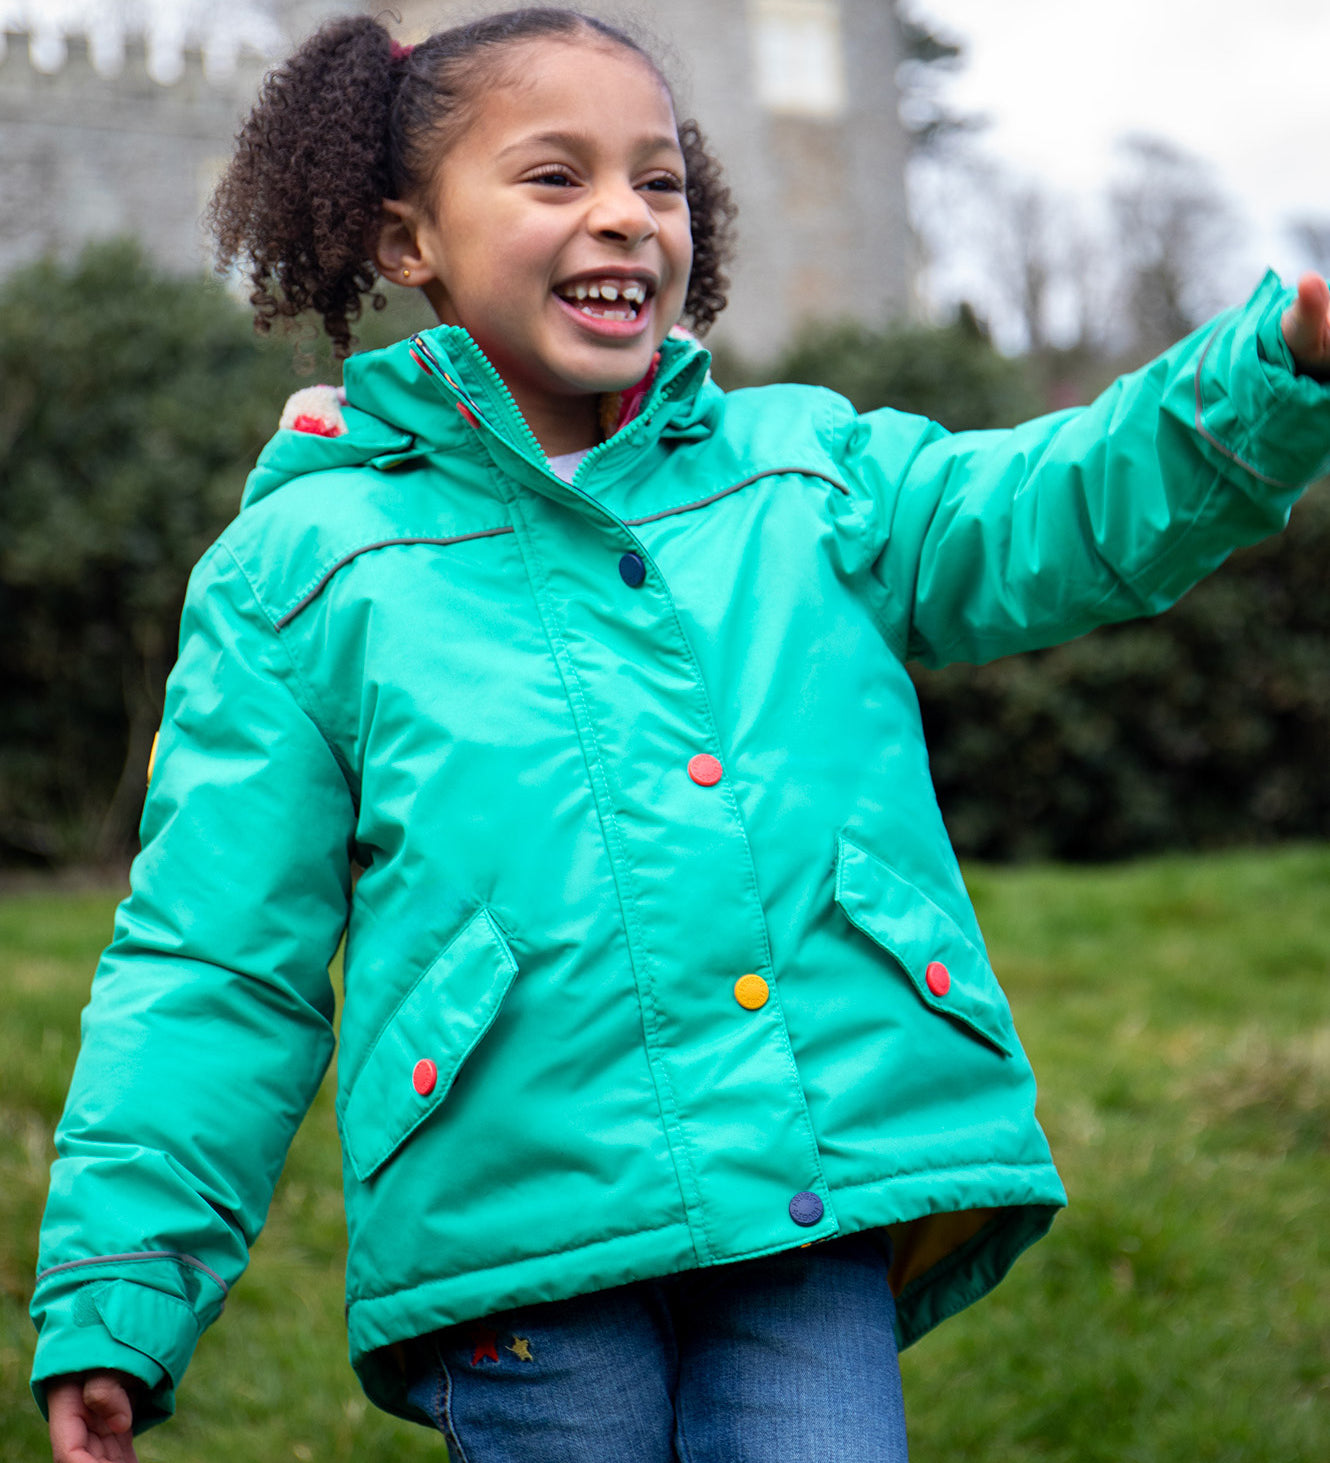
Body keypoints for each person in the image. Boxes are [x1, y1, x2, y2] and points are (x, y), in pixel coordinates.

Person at [32, 9, 1330, 1463]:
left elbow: (1050, 507)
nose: (623, 217)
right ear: (408, 240)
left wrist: (1265, 373)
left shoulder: (805, 473)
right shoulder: (305, 570)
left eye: (657, 182)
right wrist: (121, 1286)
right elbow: (214, 964)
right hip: (517, 1241)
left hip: (804, 1189)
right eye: (552, 177)